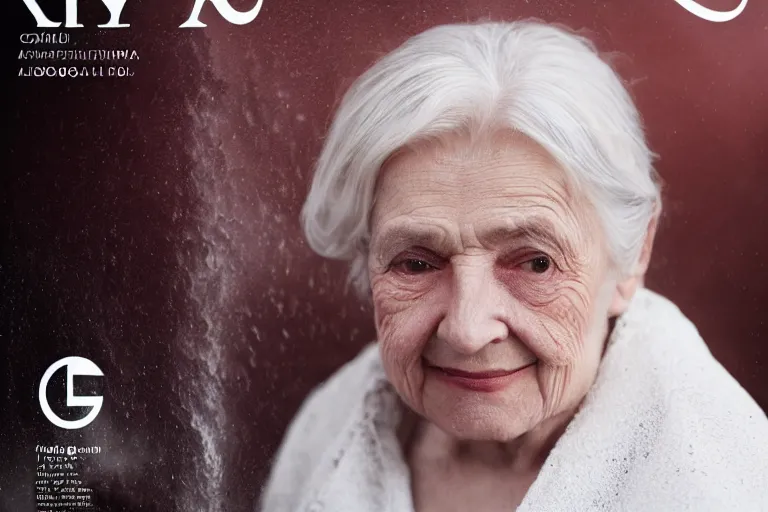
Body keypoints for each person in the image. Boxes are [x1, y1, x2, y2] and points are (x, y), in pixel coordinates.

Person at [260, 20, 768, 511]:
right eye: (415, 263)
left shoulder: (718, 487)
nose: (467, 330)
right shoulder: (329, 430)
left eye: (536, 263)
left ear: (633, 255)